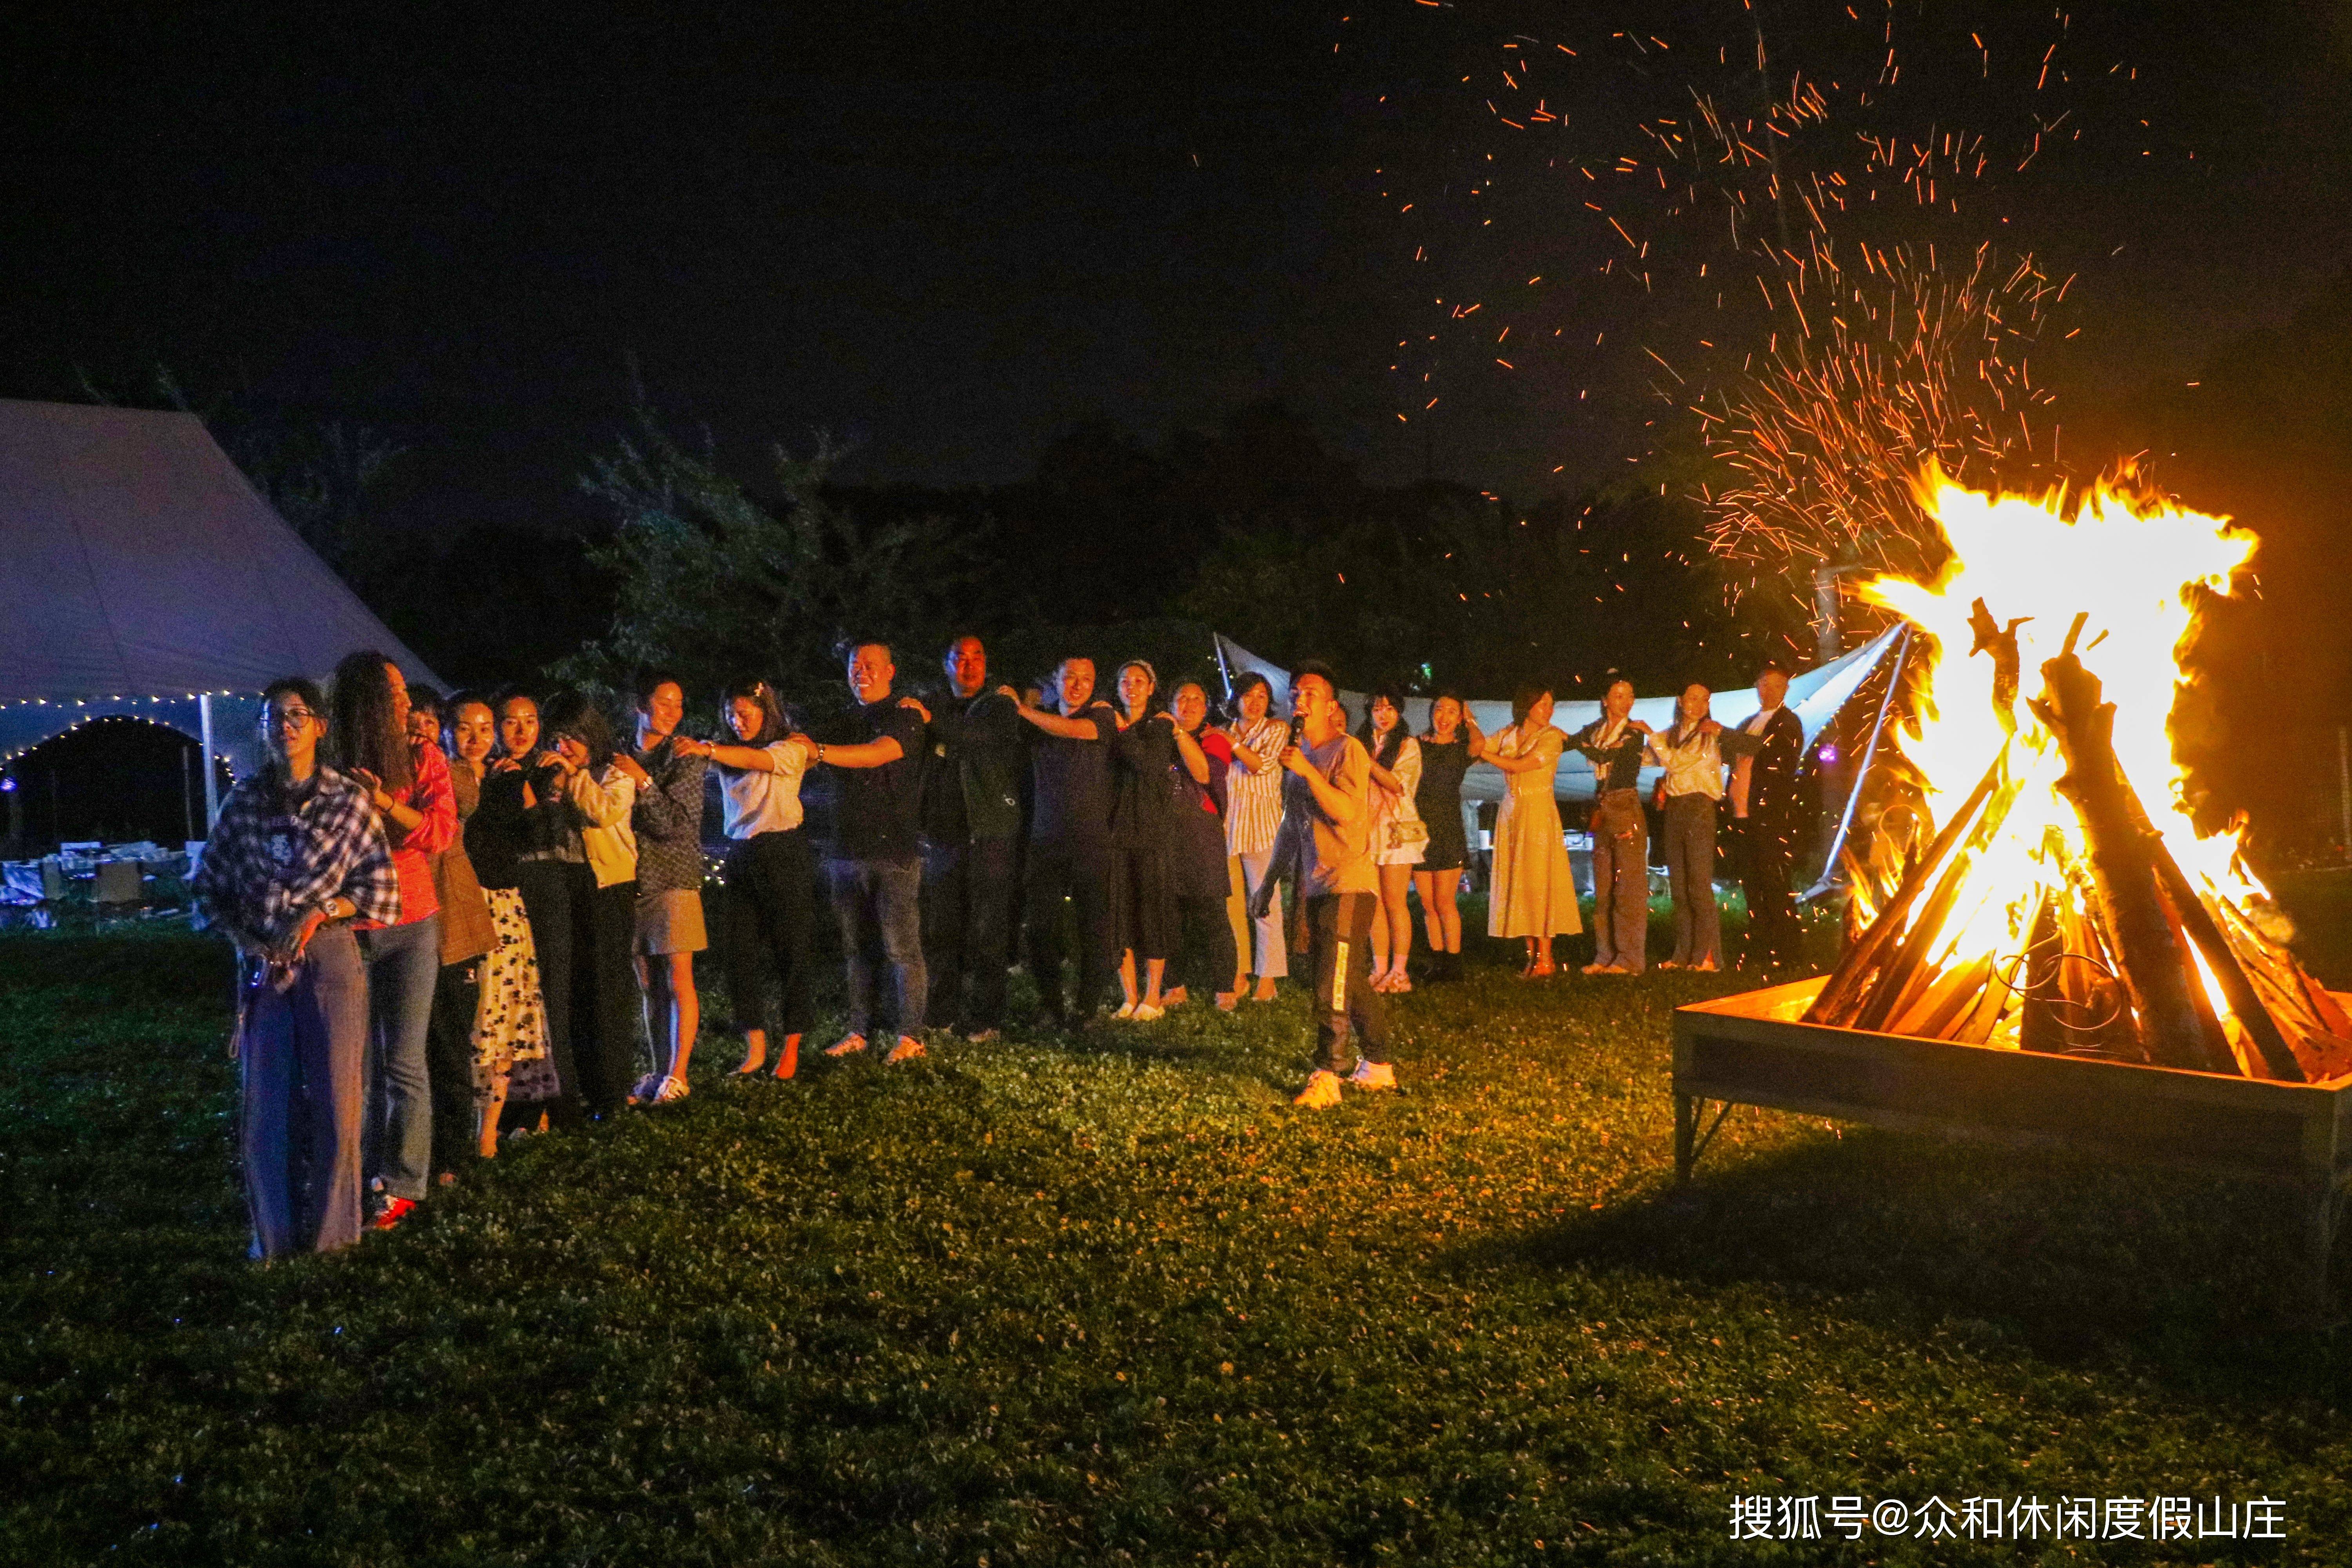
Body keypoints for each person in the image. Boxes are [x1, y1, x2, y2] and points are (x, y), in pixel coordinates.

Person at [192, 678, 399, 1258]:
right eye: (274, 717)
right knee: (264, 1109)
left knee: (338, 1103)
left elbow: (382, 888)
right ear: (262, 729)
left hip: (330, 959)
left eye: (298, 715)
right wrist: (244, 940)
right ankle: (274, 1240)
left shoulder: (347, 801)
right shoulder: (244, 803)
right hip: (263, 963)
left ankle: (333, 1240)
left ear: (320, 727)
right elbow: (208, 890)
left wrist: (318, 911)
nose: (285, 726)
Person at [328, 651, 454, 1232]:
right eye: (396, 693)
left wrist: (384, 803)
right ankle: (351, 1177)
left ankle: (404, 1183)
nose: (408, 702)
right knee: (357, 1065)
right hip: (347, 929)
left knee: (405, 1061)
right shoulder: (330, 762)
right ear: (368, 702)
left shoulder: (424, 757)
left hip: (412, 923)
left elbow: (440, 833)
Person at [676, 679, 815, 1080]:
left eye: (747, 713)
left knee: (792, 951)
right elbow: (714, 761)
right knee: (738, 952)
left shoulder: (790, 747)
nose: (739, 721)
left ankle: (791, 1046)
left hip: (784, 850)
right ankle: (755, 1047)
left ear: (765, 711)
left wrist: (709, 749)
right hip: (741, 852)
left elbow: (761, 762)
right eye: (732, 714)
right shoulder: (725, 754)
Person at [808, 639, 930, 1063]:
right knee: (856, 948)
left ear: (891, 671)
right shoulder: (841, 720)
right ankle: (859, 1030)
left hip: (894, 852)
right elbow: (799, 749)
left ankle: (910, 1035)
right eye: (856, 665)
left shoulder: (907, 716)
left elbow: (878, 755)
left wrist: (819, 752)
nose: (863, 671)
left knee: (901, 950)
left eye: (872, 664)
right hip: (844, 851)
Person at [1281, 662, 1397, 1108]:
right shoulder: (1300, 759)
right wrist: (1270, 881)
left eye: (1310, 693)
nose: (1300, 699)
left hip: (1350, 882)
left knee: (1330, 981)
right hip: (1316, 885)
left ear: (1331, 706)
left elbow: (1347, 811)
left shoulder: (1347, 750)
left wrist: (1309, 775)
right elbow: (1292, 829)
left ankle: (1328, 1072)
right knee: (1350, 979)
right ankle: (1380, 1064)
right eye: (1295, 693)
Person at [447, 691, 556, 1155]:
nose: (476, 738)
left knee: (503, 1021)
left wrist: (531, 787)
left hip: (504, 910)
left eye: (484, 728)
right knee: (466, 1022)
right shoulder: (438, 780)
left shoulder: (506, 779)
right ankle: (457, 1126)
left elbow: (537, 835)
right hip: (455, 907)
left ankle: (488, 1130)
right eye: (465, 727)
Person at [481, 690, 591, 1130]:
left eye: (530, 720)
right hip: (503, 892)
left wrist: (527, 787)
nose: (523, 730)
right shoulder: (487, 772)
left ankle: (558, 1108)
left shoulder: (547, 770)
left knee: (551, 999)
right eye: (511, 721)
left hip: (544, 887)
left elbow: (548, 834)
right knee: (511, 1004)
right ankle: (513, 1111)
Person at [405, 686, 495, 1183]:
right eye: (410, 722)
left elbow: (464, 799)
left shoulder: (452, 772)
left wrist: (428, 754)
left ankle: (453, 1157)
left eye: (428, 722)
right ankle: (414, 1154)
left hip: (451, 930)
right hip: (405, 925)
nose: (419, 730)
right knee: (407, 1051)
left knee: (449, 1046)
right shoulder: (389, 775)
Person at [919, 634, 1024, 1041]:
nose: (969, 665)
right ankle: (941, 1012)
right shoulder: (935, 703)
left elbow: (976, 739)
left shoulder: (999, 705)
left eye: (977, 657)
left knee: (988, 929)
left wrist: (938, 730)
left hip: (990, 829)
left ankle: (986, 1018)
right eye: (959, 658)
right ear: (945, 664)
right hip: (945, 832)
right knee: (942, 926)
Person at [541, 690, 639, 1118]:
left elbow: (603, 813)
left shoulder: (614, 773)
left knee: (607, 990)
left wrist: (571, 776)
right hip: (567, 883)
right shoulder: (551, 774)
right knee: (575, 990)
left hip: (608, 887)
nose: (566, 748)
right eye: (559, 739)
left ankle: (612, 1094)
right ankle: (579, 1089)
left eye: (574, 738)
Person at [1009, 656, 1119, 1025]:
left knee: (1095, 926)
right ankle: (1051, 1002)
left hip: (1091, 838)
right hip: (1046, 837)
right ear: (1055, 680)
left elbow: (1075, 731)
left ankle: (1088, 1006)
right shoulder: (1036, 717)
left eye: (1086, 678)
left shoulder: (1101, 716)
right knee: (1042, 927)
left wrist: (1024, 710)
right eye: (1070, 677)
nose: (1078, 684)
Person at [624, 670, 710, 1103]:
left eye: (679, 704)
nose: (673, 713)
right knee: (647, 982)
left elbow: (675, 824)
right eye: (664, 703)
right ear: (641, 705)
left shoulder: (686, 757)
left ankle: (679, 1074)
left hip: (673, 877)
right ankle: (659, 1069)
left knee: (679, 979)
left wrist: (642, 781)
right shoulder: (621, 753)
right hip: (630, 880)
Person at [1482, 684, 1582, 976]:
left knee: (1540, 880)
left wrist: (1486, 755)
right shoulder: (1509, 734)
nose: (1548, 711)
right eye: (1543, 704)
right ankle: (1531, 955)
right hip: (1513, 811)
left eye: (1551, 705)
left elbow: (1520, 766)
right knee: (1520, 881)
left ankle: (1546, 956)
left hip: (1538, 812)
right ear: (1527, 706)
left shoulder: (1551, 738)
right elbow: (1478, 747)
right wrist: (1472, 724)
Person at [1162, 680, 1239, 1011]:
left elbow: (1204, 773)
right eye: (1183, 699)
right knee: (1169, 913)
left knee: (1212, 914)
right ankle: (1174, 984)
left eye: (1197, 699)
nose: (1190, 705)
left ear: (1206, 707)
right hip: (1165, 833)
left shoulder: (1215, 739)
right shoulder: (1158, 737)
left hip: (1201, 832)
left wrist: (1179, 735)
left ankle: (1225, 987)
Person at [1107, 660, 1177, 1020]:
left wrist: (1123, 732)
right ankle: (1129, 996)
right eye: (1124, 681)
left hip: (1151, 831)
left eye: (1139, 681)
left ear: (1152, 688)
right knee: (1120, 915)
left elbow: (1151, 767)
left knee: (1152, 913)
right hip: (1116, 832)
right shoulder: (1109, 724)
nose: (1131, 687)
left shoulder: (1160, 725)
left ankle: (1154, 996)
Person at [1727, 661, 1807, 970]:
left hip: (1771, 818)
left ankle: (1790, 952)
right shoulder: (1748, 721)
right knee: (1753, 886)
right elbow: (1729, 756)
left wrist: (1723, 734)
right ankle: (1760, 948)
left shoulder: (1789, 722)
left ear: (1786, 689)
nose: (1768, 690)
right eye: (1763, 684)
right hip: (1743, 816)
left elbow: (1773, 753)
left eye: (1775, 684)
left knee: (1775, 883)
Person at [1572, 677, 1653, 976]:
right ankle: (1605, 954)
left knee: (1628, 887)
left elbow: (1608, 756)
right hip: (1602, 805)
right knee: (1604, 887)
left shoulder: (1634, 732)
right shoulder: (1596, 729)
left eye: (1630, 696)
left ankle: (1630, 958)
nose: (1625, 702)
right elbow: (1571, 741)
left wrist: (1583, 746)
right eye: (1618, 696)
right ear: (1605, 700)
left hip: (1625, 805)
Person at [1648, 683, 1730, 971]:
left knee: (1698, 884)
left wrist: (1649, 736)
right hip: (1675, 808)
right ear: (1681, 701)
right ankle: (1683, 954)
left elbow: (1677, 763)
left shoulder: (1707, 736)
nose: (1699, 704)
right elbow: (1651, 758)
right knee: (1680, 887)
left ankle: (1708, 955)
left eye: (1705, 700)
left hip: (1699, 808)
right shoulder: (1672, 735)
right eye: (1693, 698)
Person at [1220, 673, 1289, 1002]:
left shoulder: (1276, 730)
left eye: (1262, 696)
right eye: (1249, 695)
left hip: (1262, 829)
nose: (1256, 701)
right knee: (1232, 906)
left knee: (1264, 904)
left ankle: (1269, 976)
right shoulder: (1227, 731)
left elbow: (1258, 765)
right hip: (1228, 828)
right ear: (1237, 699)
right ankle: (1238, 971)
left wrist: (1229, 743)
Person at [1412, 691, 1484, 982]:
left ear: (1459, 719)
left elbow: (1481, 744)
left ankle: (1454, 963)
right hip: (1419, 829)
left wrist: (1470, 717)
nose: (1444, 717)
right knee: (1427, 902)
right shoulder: (1416, 746)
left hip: (1450, 829)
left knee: (1445, 901)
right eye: (1440, 710)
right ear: (1432, 713)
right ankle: (1437, 960)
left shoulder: (1460, 749)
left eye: (1452, 712)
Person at [1357, 689, 1425, 993]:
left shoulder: (1407, 746)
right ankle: (1380, 967)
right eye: (1377, 708)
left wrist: (1366, 762)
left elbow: (1398, 784)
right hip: (1367, 830)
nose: (1383, 714)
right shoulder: (1361, 743)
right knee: (1375, 904)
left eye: (1390, 709)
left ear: (1399, 713)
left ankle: (1400, 971)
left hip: (1397, 831)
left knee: (1396, 902)